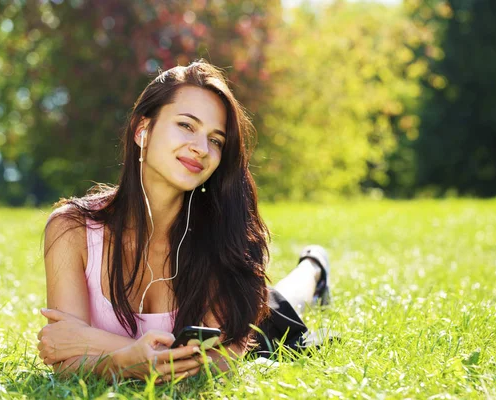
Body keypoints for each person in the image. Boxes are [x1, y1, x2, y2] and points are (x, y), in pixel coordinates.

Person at [37, 61, 331, 383]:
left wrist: (89, 341)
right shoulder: (72, 229)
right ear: (142, 130)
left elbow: (217, 363)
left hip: (245, 330)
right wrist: (127, 359)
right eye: (186, 125)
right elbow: (64, 363)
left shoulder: (221, 238)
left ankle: (315, 267)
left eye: (216, 140)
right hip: (210, 337)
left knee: (281, 304)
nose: (201, 148)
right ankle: (313, 268)